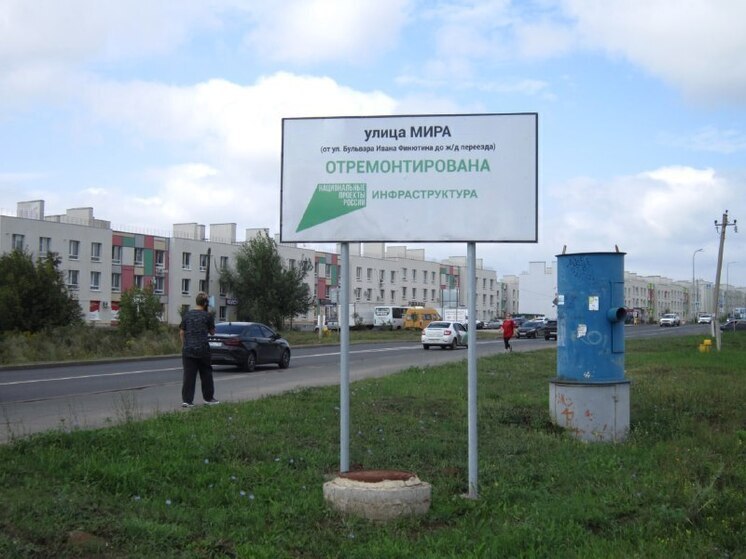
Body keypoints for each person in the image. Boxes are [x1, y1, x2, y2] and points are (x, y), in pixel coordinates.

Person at [179, 291, 219, 407]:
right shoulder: (207, 316)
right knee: (206, 374)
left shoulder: (187, 315)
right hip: (203, 350)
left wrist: (184, 345)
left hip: (188, 350)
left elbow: (181, 332)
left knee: (189, 376)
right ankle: (208, 398)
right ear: (205, 303)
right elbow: (212, 332)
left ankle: (187, 401)